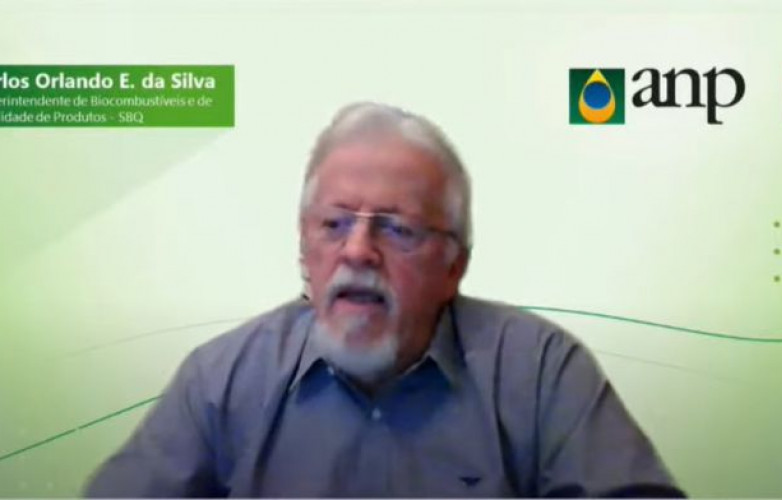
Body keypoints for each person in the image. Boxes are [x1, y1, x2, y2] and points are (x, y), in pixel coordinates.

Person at [85, 102, 684, 497]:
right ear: (304, 248)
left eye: (397, 229)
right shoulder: (222, 379)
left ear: (454, 265)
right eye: (334, 224)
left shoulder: (539, 373)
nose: (358, 252)